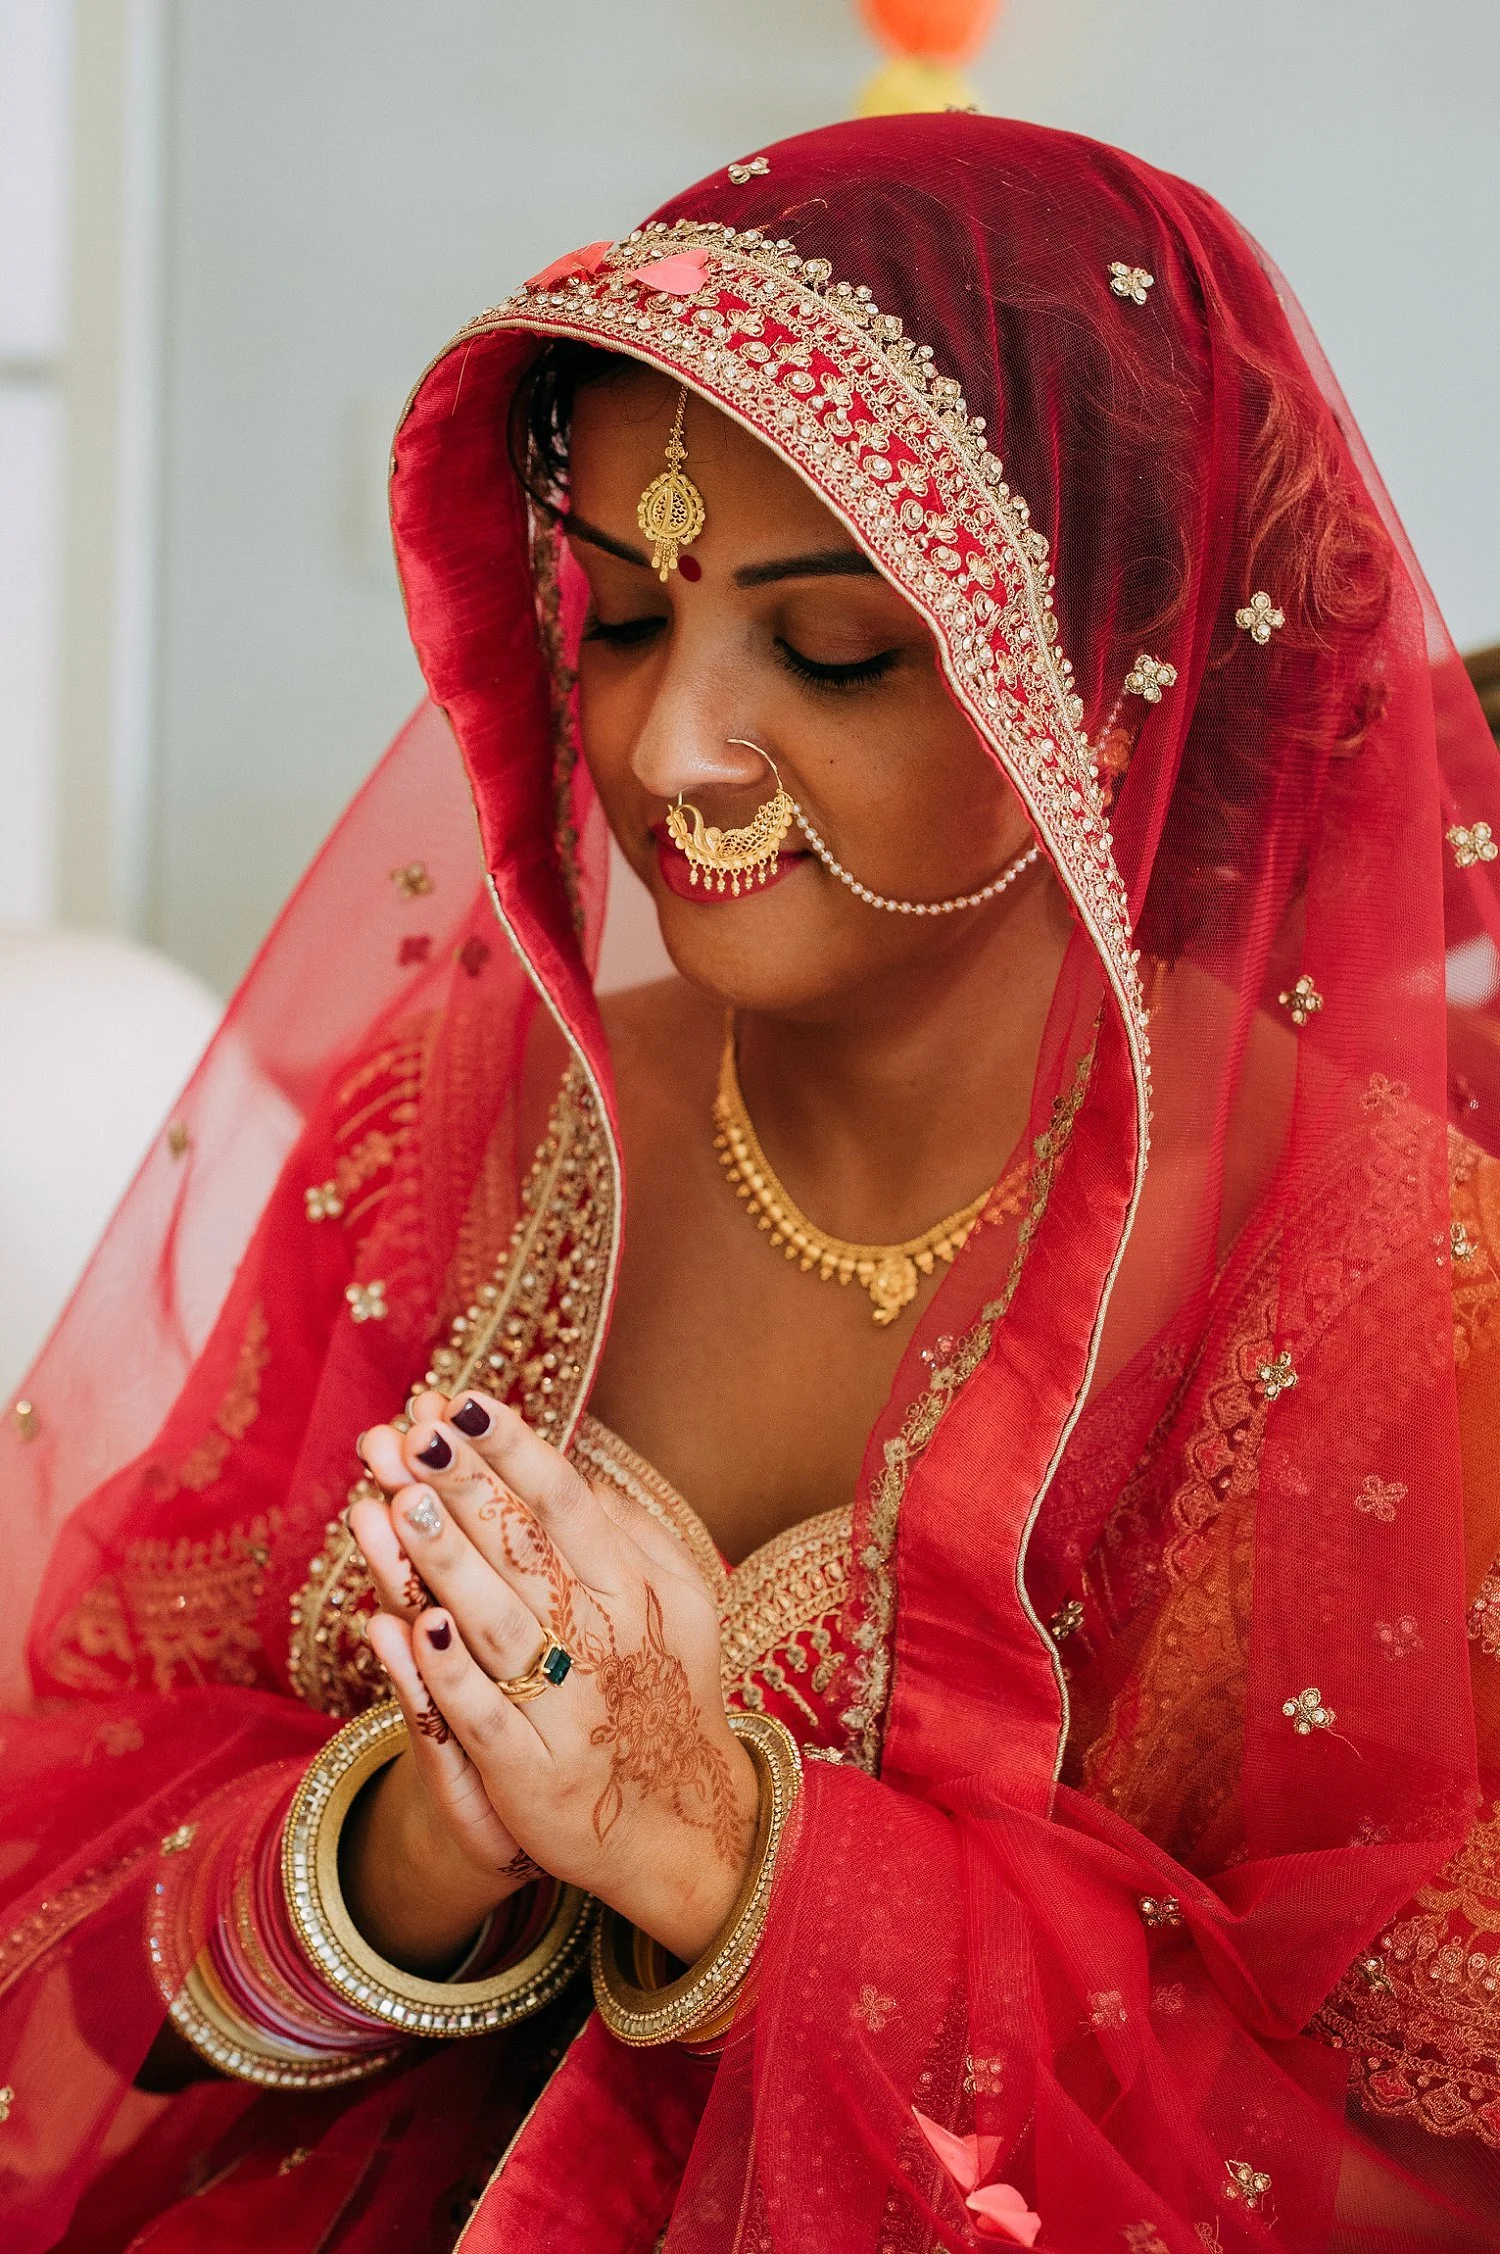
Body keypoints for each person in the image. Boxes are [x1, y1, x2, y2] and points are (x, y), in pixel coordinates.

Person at [3, 113, 1497, 2254]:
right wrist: (419, 1842)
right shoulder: (457, 1131)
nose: (668, 746)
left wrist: (718, 1848)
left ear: (1101, 683)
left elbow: (1416, 2181)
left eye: (833, 652)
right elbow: (80, 1884)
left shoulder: (1383, 1300)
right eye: (622, 617)